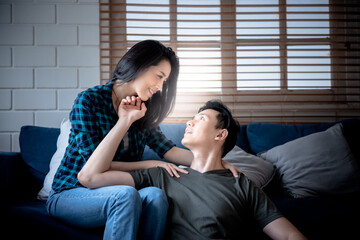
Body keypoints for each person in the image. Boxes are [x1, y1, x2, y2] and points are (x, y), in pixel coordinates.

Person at [47, 40, 239, 240]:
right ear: (139, 65)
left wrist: (217, 163)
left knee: (156, 196)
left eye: (165, 81)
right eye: (159, 76)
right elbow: (95, 168)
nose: (160, 86)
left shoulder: (144, 109)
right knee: (125, 195)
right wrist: (127, 124)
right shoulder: (89, 101)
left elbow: (170, 152)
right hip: (72, 192)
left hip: (115, 191)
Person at [78, 100, 308, 240]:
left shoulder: (241, 183)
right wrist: (125, 122)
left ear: (220, 134)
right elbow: (91, 176)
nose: (189, 123)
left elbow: (287, 234)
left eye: (200, 119)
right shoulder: (163, 175)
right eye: (191, 119)